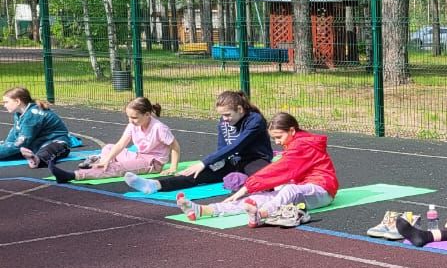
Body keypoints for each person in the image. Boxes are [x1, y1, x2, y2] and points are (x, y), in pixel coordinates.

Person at [176, 111, 338, 226]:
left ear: (292, 130)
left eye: (279, 137)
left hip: (322, 190)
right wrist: (250, 189)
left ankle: (261, 214)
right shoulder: (295, 143)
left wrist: (247, 187)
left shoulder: (303, 145)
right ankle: (204, 210)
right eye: (274, 138)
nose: (277, 142)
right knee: (257, 198)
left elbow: (280, 169)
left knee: (289, 190)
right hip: (302, 188)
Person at [124, 90, 271, 195]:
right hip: (233, 161)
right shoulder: (224, 121)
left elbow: (237, 145)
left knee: (266, 179)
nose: (224, 119)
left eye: (227, 115)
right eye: (222, 115)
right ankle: (155, 185)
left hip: (254, 160)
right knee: (195, 173)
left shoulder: (255, 120)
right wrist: (210, 165)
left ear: (239, 109)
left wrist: (204, 162)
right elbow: (222, 148)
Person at [51, 97, 179, 183]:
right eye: (128, 117)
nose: (131, 121)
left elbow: (175, 147)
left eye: (134, 117)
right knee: (108, 148)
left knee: (117, 168)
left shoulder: (159, 128)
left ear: (147, 114)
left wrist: (173, 167)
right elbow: (121, 144)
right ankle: (100, 163)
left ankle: (74, 175)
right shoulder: (132, 125)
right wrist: (106, 159)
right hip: (138, 156)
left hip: (152, 163)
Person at [1, 87, 72, 168]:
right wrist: (5, 146)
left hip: (56, 142)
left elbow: (22, 142)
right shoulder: (19, 114)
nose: (4, 105)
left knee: (48, 150)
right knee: (9, 152)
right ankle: (32, 155)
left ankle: (37, 160)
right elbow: (12, 138)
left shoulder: (32, 115)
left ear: (17, 101)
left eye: (6, 102)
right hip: (36, 145)